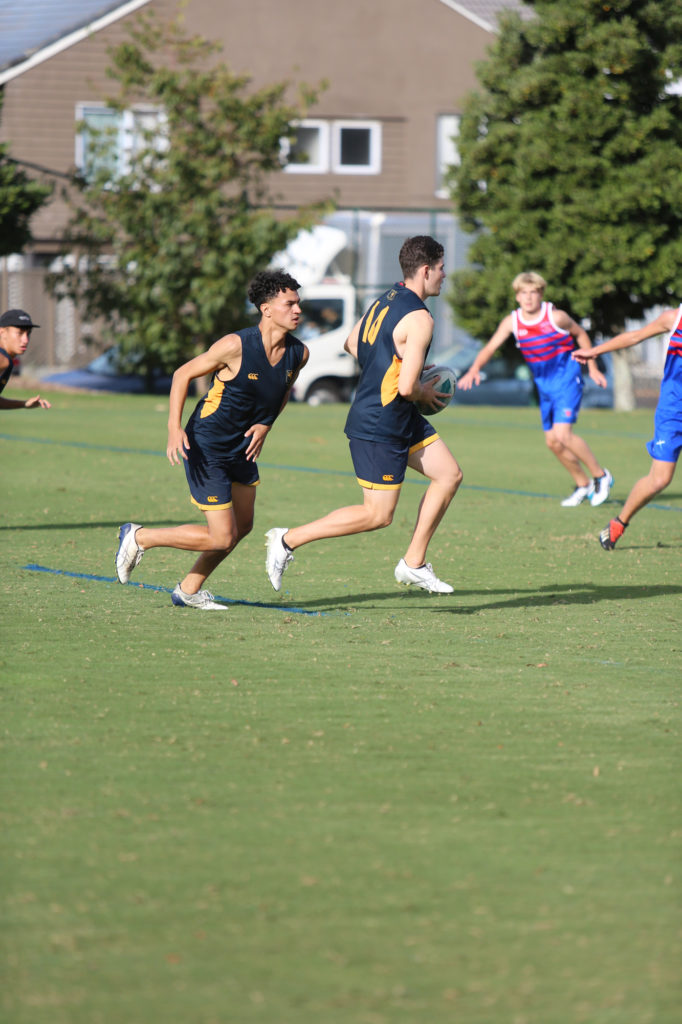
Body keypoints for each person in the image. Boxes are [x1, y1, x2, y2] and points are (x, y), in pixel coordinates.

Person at [265, 235, 462, 595]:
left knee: (448, 475)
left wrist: (396, 368)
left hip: (396, 415)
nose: (444, 275)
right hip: (380, 422)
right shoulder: (420, 319)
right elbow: (406, 389)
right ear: (425, 269)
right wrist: (423, 388)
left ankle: (413, 564)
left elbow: (353, 343)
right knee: (377, 515)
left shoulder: (388, 297)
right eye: (441, 268)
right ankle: (287, 539)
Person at [115, 270, 308, 609]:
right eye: (289, 304)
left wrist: (266, 424)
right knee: (222, 535)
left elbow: (283, 392)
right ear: (266, 309)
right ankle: (139, 536)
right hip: (208, 444)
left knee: (242, 526)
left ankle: (188, 590)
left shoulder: (298, 354)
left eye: (298, 303)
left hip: (243, 448)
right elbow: (182, 374)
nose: (297, 311)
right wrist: (174, 428)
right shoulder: (235, 345)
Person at [456, 272, 612, 507]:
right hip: (544, 385)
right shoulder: (512, 322)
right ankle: (584, 485)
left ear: (541, 294)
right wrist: (474, 368)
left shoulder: (556, 317)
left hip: (567, 378)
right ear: (517, 296)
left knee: (563, 435)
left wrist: (593, 368)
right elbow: (490, 347)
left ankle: (601, 476)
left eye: (533, 292)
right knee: (553, 442)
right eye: (523, 293)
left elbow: (581, 335)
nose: (528, 298)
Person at [572, 305, 681, 550]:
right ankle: (619, 523)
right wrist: (595, 351)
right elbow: (634, 337)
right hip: (673, 411)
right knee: (659, 480)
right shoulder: (674, 318)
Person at [0, 309, 51, 410]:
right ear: (2, 333)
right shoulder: (3, 360)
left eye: (28, 334)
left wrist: (24, 404)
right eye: (20, 333)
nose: (25, 340)